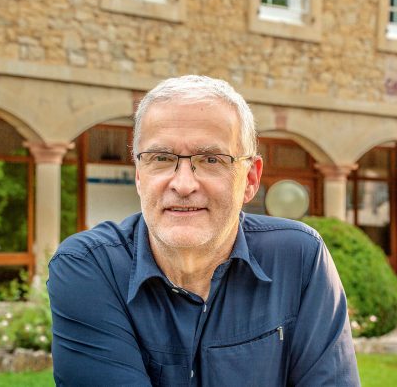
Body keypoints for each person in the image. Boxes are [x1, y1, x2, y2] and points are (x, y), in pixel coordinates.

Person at [48, 75, 360, 386]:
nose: (183, 185)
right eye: (161, 158)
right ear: (139, 176)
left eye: (211, 159)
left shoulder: (298, 258)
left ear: (250, 179)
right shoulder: (90, 266)